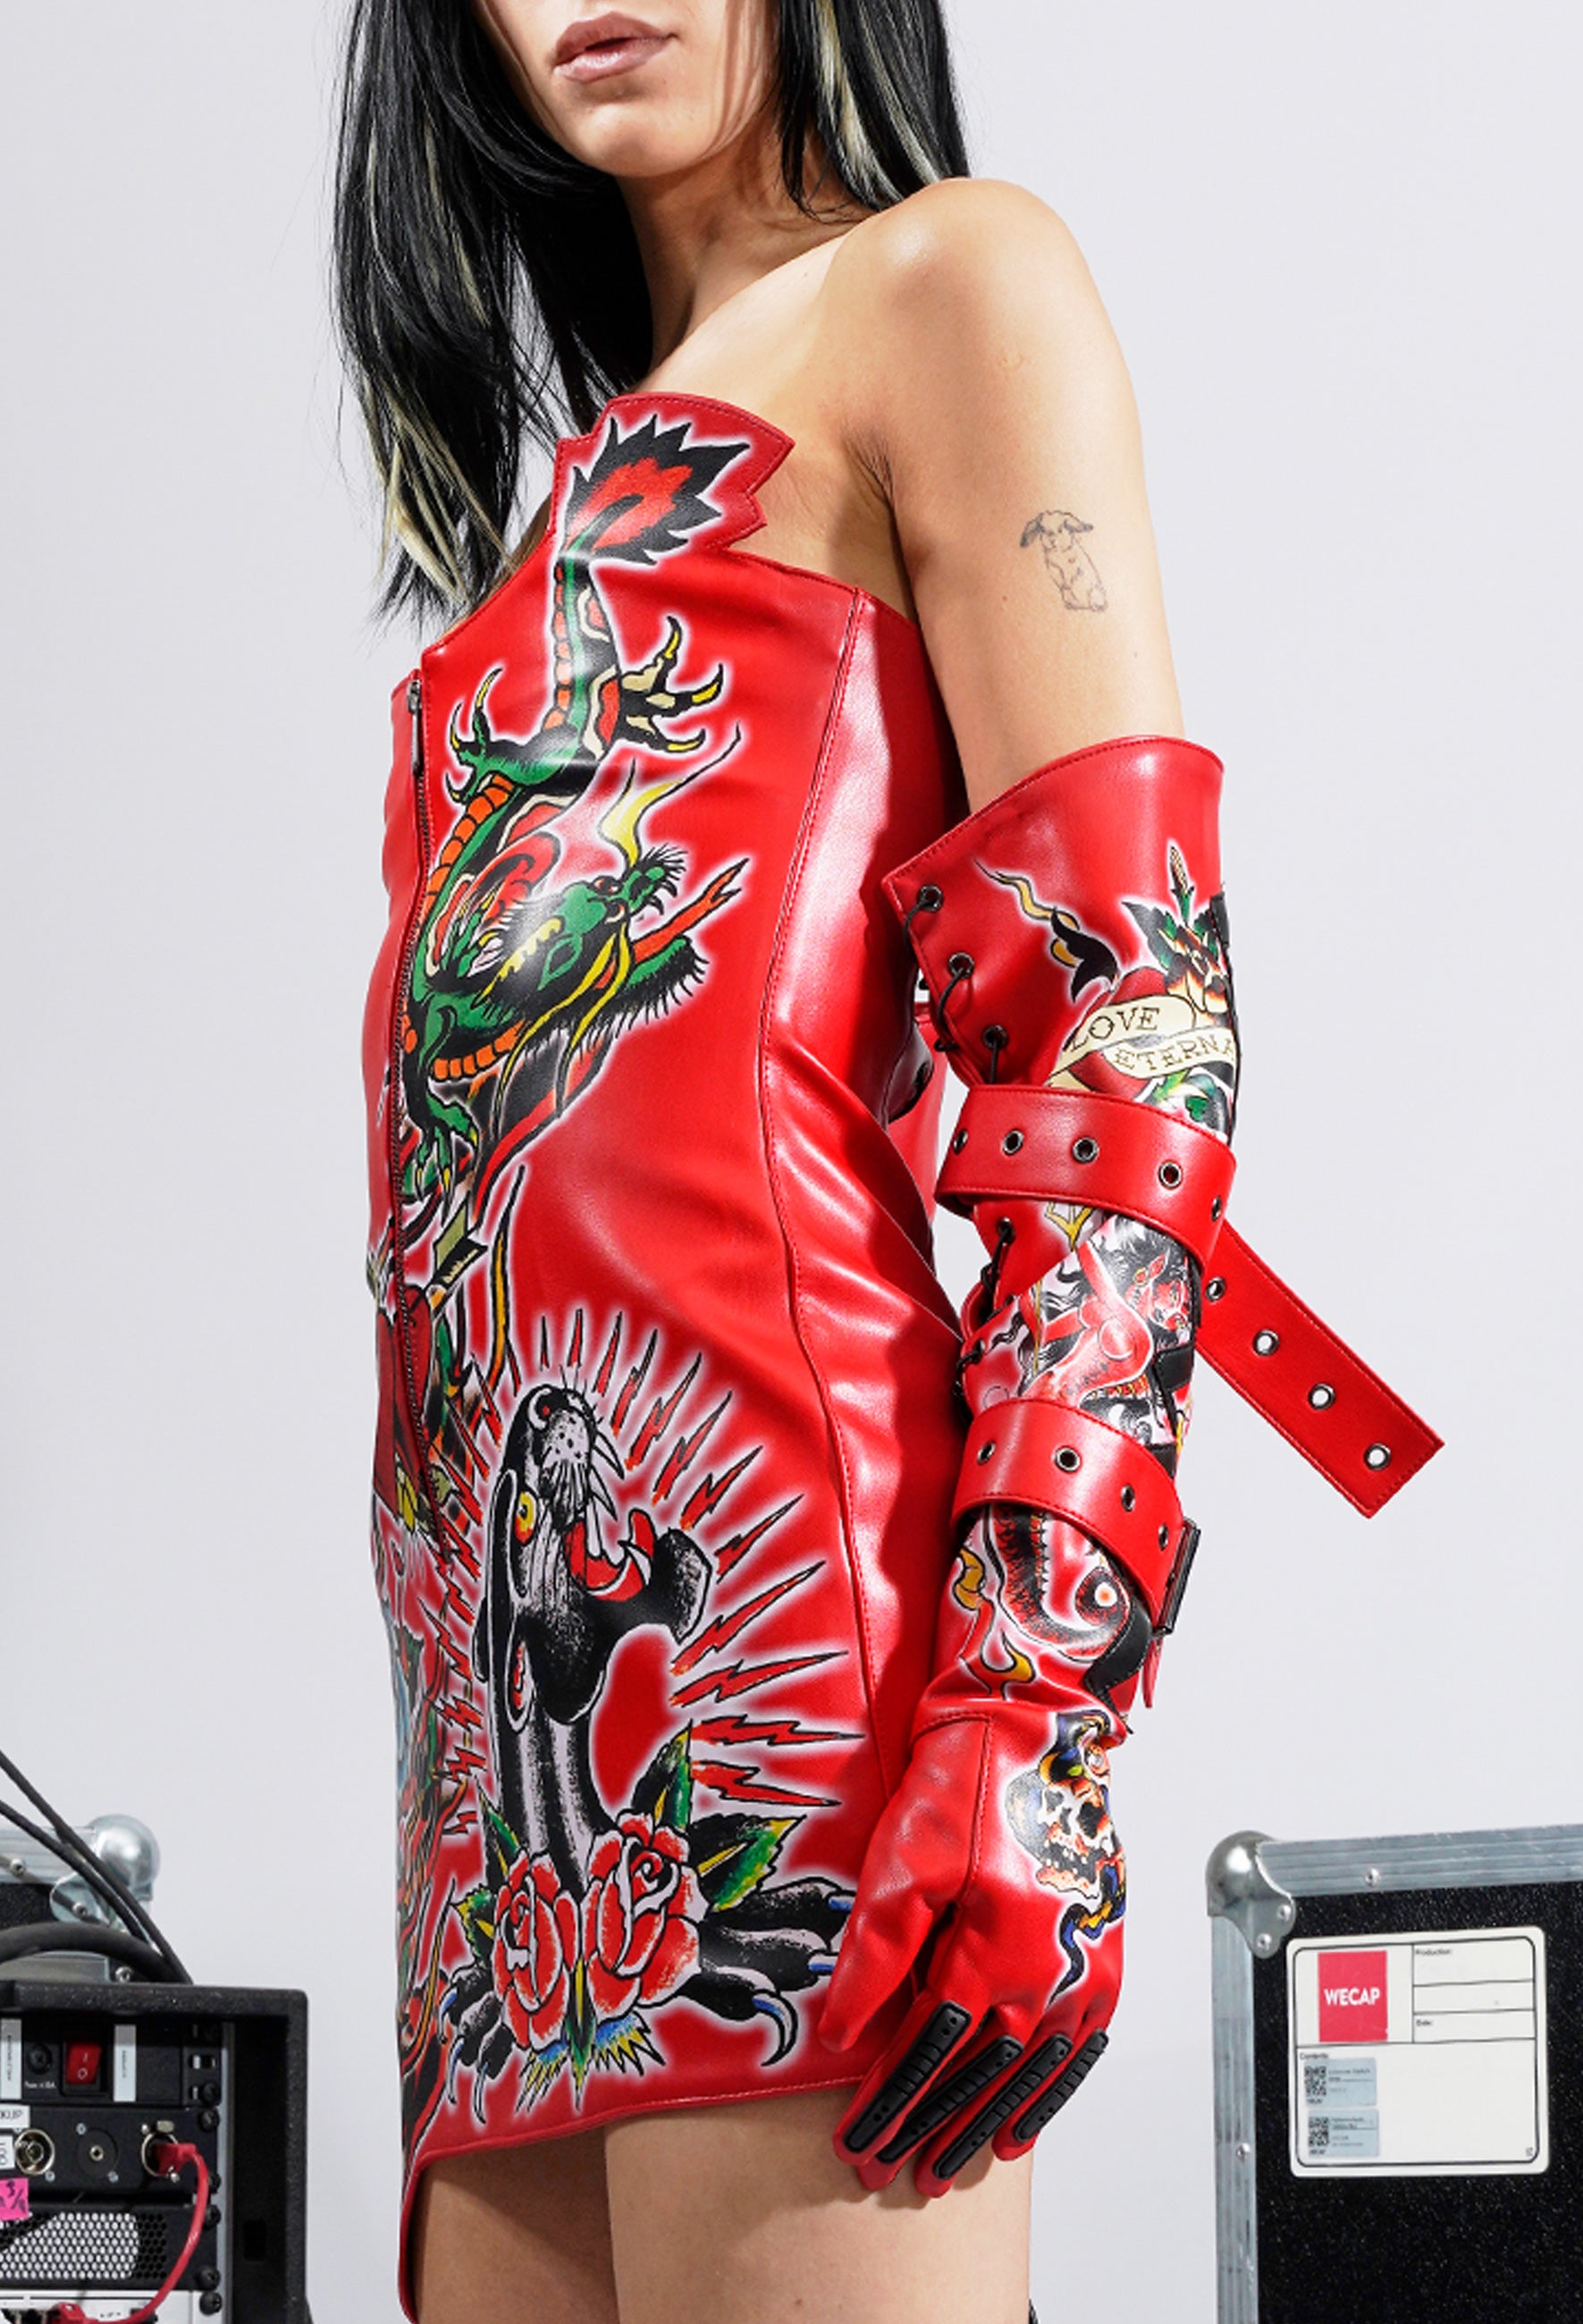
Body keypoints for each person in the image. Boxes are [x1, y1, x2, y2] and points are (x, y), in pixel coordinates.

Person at [335, 5, 1436, 2320]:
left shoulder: (945, 284)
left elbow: (1126, 1038)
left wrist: (1033, 1726)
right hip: (501, 1804)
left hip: (791, 1704)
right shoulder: (560, 511)